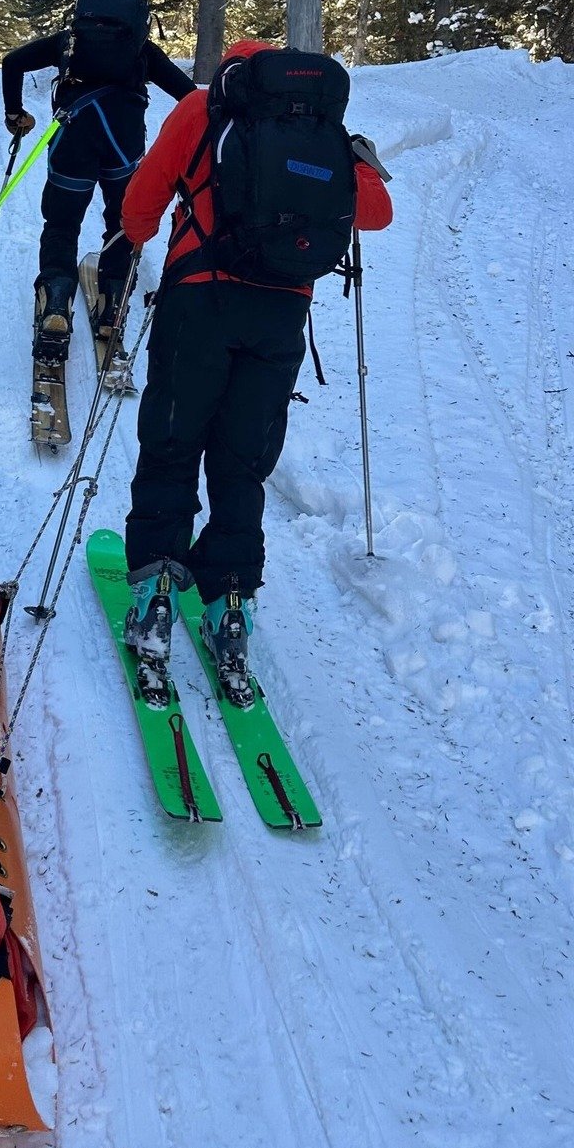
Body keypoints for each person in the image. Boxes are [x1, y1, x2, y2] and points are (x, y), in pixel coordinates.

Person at [118, 38, 394, 690]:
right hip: (279, 318)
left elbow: (139, 209)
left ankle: (156, 596)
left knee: (172, 444)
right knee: (243, 461)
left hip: (198, 303)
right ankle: (230, 607)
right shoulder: (322, 128)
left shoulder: (201, 110)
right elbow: (377, 215)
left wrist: (141, 237)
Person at [1, 0, 193, 363]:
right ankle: (111, 305)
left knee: (62, 223)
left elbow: (12, 61)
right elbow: (190, 97)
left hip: (74, 139)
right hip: (123, 144)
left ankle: (56, 303)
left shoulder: (69, 41)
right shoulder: (142, 50)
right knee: (122, 221)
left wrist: (15, 113)